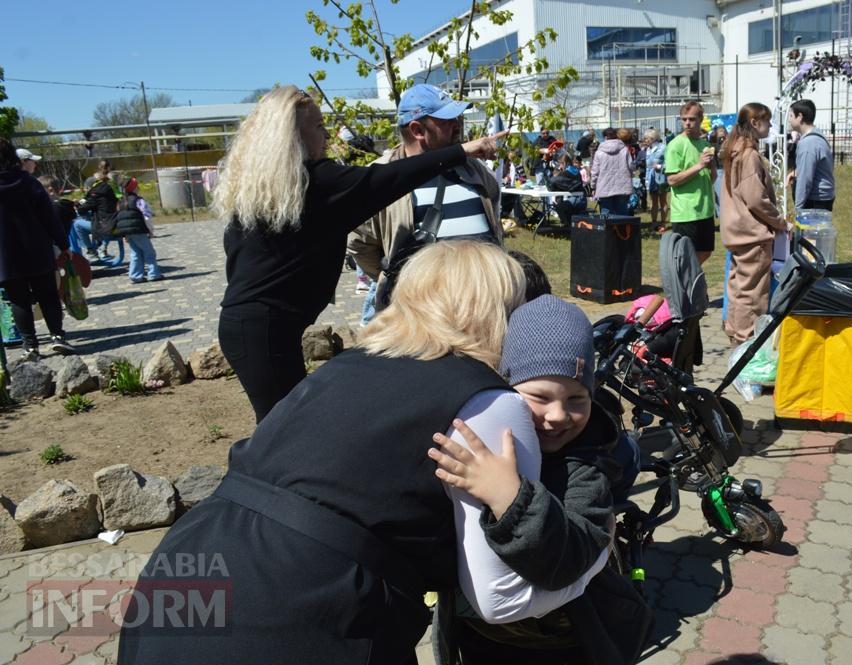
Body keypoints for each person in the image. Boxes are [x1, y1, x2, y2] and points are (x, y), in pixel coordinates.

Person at [118, 241, 606, 665]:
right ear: (495, 312)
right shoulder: (487, 403)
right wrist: (595, 556)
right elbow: (501, 601)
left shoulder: (346, 367)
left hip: (186, 574)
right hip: (302, 614)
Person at [215, 85, 505, 422]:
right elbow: (387, 179)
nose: (327, 135)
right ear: (293, 135)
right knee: (283, 424)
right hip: (263, 327)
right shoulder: (317, 182)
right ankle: (256, 473)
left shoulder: (280, 188)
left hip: (253, 324)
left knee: (289, 418)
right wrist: (463, 150)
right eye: (319, 127)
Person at [429, 294, 648, 665]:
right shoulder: (482, 437)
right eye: (539, 396)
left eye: (577, 398)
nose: (558, 415)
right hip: (477, 636)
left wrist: (508, 497)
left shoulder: (588, 465)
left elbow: (568, 561)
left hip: (559, 644)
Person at [348, 84, 503, 323]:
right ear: (418, 129)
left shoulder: (474, 169)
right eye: (447, 119)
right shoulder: (382, 177)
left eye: (458, 116)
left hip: (481, 315)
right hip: (418, 320)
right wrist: (403, 281)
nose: (457, 124)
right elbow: (360, 243)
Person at [719, 103, 788, 345]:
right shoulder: (749, 155)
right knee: (753, 293)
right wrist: (779, 222)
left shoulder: (734, 150)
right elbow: (756, 198)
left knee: (738, 289)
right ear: (756, 124)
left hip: (737, 232)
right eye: (767, 122)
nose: (770, 126)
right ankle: (746, 342)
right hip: (751, 233)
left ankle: (736, 333)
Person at [0, 138, 75, 359]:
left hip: (5, 254)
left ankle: (30, 346)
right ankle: (57, 337)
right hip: (36, 247)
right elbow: (49, 216)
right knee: (48, 295)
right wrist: (63, 244)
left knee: (18, 299)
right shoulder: (29, 182)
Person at [665, 100, 717, 264]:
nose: (687, 123)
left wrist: (712, 166)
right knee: (685, 256)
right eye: (684, 119)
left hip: (705, 210)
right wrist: (699, 165)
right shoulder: (675, 145)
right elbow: (672, 180)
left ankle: (691, 284)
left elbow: (712, 178)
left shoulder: (704, 144)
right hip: (686, 212)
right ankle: (686, 286)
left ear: (701, 120)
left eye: (692, 119)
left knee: (706, 251)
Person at [788, 99, 835, 211]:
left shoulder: (808, 143)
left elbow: (805, 179)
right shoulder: (817, 137)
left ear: (799, 117)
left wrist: (798, 209)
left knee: (811, 229)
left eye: (790, 116)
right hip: (823, 198)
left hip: (815, 201)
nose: (789, 120)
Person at [115, 177, 163, 284]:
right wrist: (150, 230)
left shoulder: (121, 202)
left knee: (135, 253)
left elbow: (120, 219)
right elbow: (147, 216)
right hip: (139, 230)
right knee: (149, 252)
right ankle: (153, 274)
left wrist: (125, 234)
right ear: (134, 188)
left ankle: (135, 275)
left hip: (128, 232)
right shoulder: (139, 200)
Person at [590, 127, 633, 215]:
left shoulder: (599, 153)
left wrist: (593, 186)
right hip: (622, 186)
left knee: (606, 212)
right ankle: (622, 228)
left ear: (605, 137)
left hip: (604, 187)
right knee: (622, 212)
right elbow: (631, 166)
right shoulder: (624, 150)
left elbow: (595, 172)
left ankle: (608, 229)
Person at [547, 154, 588, 227]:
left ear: (564, 163)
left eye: (560, 163)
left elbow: (553, 182)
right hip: (582, 199)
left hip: (577, 200)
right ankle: (570, 225)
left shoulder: (566, 173)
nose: (560, 166)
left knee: (559, 207)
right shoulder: (575, 170)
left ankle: (568, 225)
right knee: (562, 205)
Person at [643, 129, 668, 229]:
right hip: (651, 179)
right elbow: (648, 167)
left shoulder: (663, 148)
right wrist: (646, 180)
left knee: (663, 202)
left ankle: (663, 223)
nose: (645, 140)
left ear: (652, 138)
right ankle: (654, 222)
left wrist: (660, 167)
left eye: (646, 138)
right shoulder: (648, 150)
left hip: (662, 179)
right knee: (653, 203)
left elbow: (670, 163)